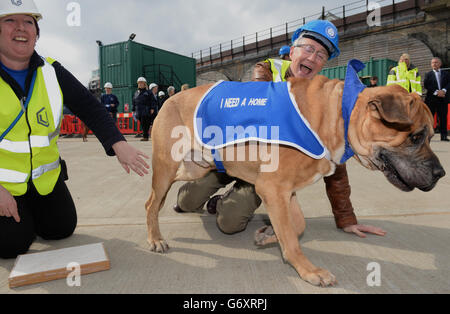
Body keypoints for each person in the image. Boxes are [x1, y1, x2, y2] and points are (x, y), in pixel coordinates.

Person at [175, 20, 386, 239]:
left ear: (324, 64)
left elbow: (335, 159)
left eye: (321, 55)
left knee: (229, 223)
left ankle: (222, 202)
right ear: (293, 51)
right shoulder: (266, 71)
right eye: (309, 49)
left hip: (265, 172)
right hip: (233, 154)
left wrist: (346, 219)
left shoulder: (324, 100)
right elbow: (247, 112)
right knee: (186, 202)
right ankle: (197, 194)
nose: (313, 58)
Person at [0, 0, 150, 259]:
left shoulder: (50, 71)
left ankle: (29, 214)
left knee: (61, 229)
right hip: (4, 185)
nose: (20, 28)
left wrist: (118, 143)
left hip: (45, 180)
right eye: (10, 21)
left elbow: (89, 106)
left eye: (28, 22)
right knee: (11, 245)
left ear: (36, 33)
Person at [424, 57, 450, 141]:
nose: (434, 64)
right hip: (431, 99)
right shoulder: (428, 74)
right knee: (430, 118)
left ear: (440, 64)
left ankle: (444, 136)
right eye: (432, 63)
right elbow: (426, 85)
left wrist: (443, 90)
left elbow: (449, 83)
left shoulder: (446, 74)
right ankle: (428, 136)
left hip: (443, 99)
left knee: (443, 118)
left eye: (436, 62)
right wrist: (437, 92)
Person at [132, 77, 154, 141]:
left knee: (145, 123)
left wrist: (152, 108)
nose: (140, 84)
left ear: (144, 84)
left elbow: (152, 100)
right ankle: (145, 135)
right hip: (139, 111)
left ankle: (145, 136)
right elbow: (134, 102)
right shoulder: (136, 93)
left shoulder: (148, 92)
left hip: (146, 110)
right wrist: (133, 110)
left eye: (142, 83)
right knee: (142, 123)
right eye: (139, 83)